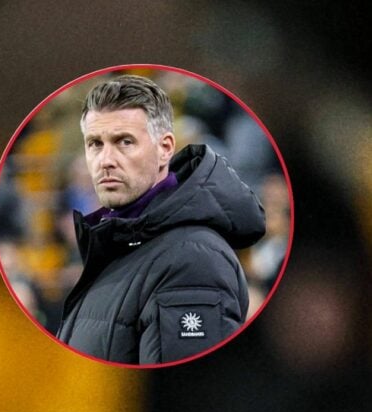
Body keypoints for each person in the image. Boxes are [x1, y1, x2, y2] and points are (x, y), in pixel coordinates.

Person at [55, 74, 266, 365]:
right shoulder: (121, 243)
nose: (105, 160)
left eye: (124, 142)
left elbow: (187, 399)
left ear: (165, 147)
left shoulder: (192, 259)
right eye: (95, 144)